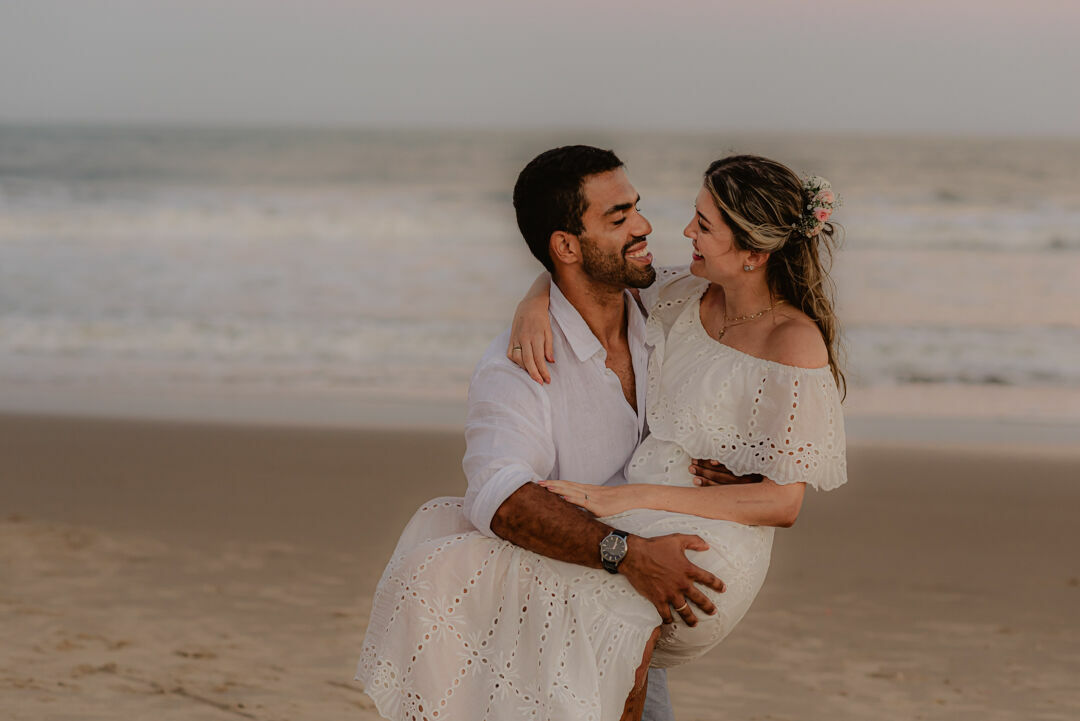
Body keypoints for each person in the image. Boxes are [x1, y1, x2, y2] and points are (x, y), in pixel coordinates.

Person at [357, 147, 848, 721]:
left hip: (676, 560)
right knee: (448, 560)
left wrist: (640, 506)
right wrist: (535, 300)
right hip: (613, 565)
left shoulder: (684, 309)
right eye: (620, 217)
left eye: (639, 208)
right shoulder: (547, 354)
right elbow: (498, 494)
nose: (655, 227)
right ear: (566, 246)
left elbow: (782, 495)